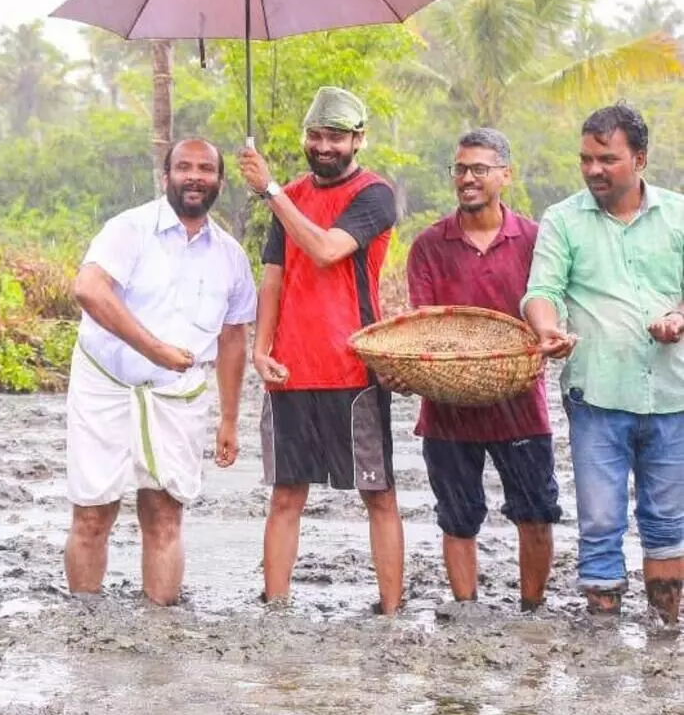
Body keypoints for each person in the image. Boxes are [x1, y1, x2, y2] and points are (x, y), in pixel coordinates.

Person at [65, 138, 256, 605]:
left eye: (206, 169)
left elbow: (233, 338)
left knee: (165, 512)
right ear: (166, 176)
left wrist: (229, 418)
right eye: (184, 167)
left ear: (219, 181)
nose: (195, 176)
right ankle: (85, 625)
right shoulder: (129, 230)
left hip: (178, 393)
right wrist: (154, 349)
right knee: (94, 512)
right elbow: (89, 289)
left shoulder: (230, 255)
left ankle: (160, 628)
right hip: (105, 383)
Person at [238, 86, 405, 615]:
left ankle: (392, 610)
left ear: (358, 139)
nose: (324, 145)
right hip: (291, 369)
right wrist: (259, 348)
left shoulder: (376, 195)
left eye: (336, 136)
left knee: (377, 494)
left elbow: (328, 250)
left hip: (353, 367)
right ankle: (276, 603)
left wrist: (270, 192)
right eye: (315, 135)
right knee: (286, 495)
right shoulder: (287, 196)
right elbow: (273, 277)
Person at [523, 104, 684, 623]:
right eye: (586, 159)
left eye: (607, 159)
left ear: (639, 159)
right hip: (596, 394)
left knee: (667, 521)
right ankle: (602, 640)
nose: (593, 169)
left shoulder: (678, 214)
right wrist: (546, 326)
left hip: (671, 392)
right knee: (599, 521)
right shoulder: (563, 219)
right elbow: (541, 290)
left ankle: (666, 630)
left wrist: (677, 319)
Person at [397, 129, 560, 611]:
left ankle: (533, 607)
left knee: (535, 513)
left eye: (479, 169)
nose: (467, 178)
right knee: (457, 517)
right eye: (460, 170)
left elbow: (550, 304)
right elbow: (422, 324)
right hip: (446, 408)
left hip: (521, 405)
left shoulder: (533, 240)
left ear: (505, 176)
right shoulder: (429, 245)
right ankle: (464, 608)